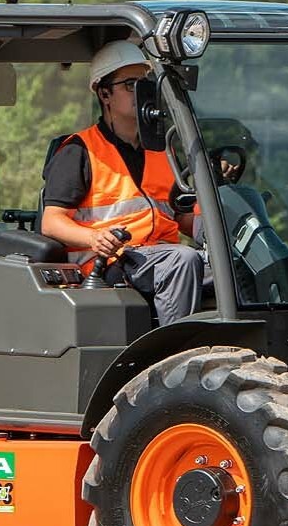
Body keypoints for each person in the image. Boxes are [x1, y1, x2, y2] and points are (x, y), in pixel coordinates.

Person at [40, 40, 204, 326]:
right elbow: (51, 222)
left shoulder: (162, 150)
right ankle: (175, 351)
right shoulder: (80, 150)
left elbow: (180, 217)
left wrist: (225, 231)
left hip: (160, 258)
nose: (142, 92)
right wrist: (94, 238)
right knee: (183, 260)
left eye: (145, 83)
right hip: (111, 263)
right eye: (131, 85)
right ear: (105, 94)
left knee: (232, 266)